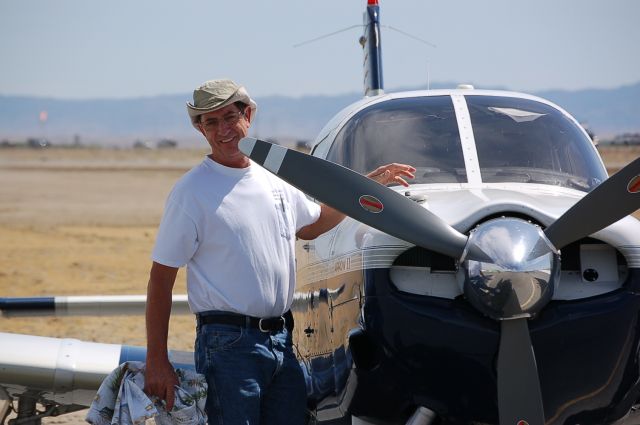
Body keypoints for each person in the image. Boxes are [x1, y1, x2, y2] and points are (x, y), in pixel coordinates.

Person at [143, 79, 415, 425]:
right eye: (210, 122)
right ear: (200, 129)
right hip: (227, 346)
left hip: (282, 342)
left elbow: (313, 224)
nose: (223, 130)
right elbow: (160, 280)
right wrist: (157, 360)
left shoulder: (276, 180)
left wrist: (366, 188)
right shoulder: (190, 192)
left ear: (249, 115)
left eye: (230, 117)